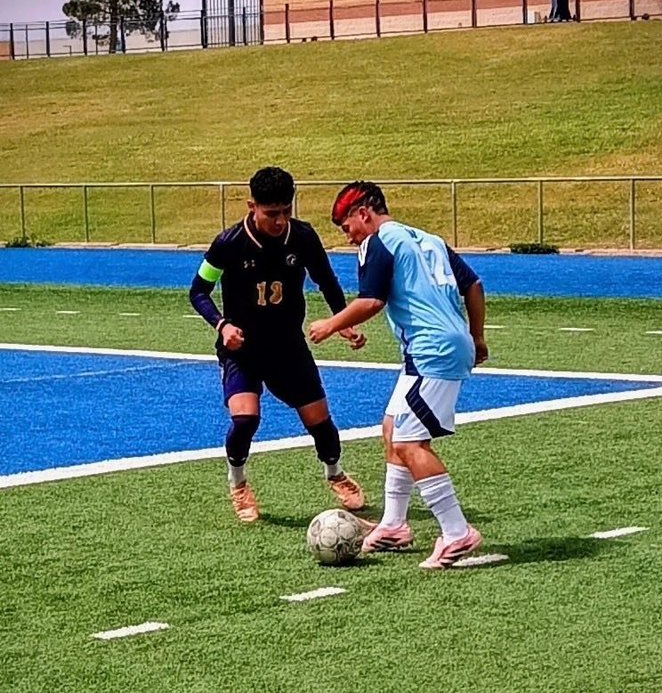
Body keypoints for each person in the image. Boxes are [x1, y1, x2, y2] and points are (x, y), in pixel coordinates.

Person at [309, 181, 488, 570]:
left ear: (364, 213)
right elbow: (473, 284)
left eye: (347, 227)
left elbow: (372, 301)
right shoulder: (428, 238)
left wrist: (331, 324)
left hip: (432, 351)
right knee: (392, 427)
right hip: (438, 349)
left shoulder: (377, 242)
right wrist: (476, 336)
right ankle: (393, 525)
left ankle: (457, 532)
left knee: (410, 444)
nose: (349, 236)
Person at [189, 166, 366, 522]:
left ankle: (335, 473)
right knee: (245, 419)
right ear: (251, 206)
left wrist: (342, 321)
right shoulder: (228, 244)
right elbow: (198, 291)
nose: (280, 220)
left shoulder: (302, 237)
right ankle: (238, 484)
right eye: (272, 213)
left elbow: (326, 280)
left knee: (320, 422)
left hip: (288, 347)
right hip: (242, 351)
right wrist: (222, 325)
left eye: (287, 210)